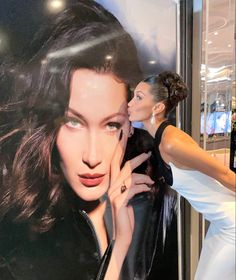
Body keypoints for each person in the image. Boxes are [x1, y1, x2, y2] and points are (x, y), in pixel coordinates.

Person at [0, 2, 178, 279]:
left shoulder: (158, 197)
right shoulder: (24, 237)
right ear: (49, 126)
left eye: (111, 124)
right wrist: (120, 248)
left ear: (130, 123)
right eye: (73, 122)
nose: (92, 157)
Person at [128, 71, 236, 279]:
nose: (130, 103)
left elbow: (224, 174)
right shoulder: (162, 139)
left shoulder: (171, 142)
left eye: (138, 97)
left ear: (158, 107)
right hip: (221, 223)